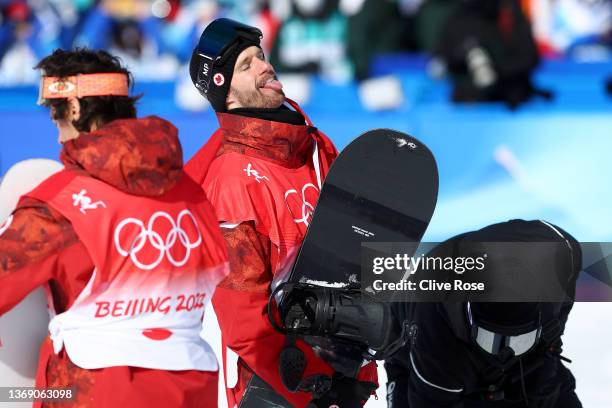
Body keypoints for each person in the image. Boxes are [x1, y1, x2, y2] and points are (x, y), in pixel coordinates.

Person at [0, 48, 229, 407]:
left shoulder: (60, 203)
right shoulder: (192, 193)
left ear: (74, 109)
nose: (59, 137)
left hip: (92, 390)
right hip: (193, 388)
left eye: (56, 119)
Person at [186, 18, 378, 408]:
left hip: (344, 370)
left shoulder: (313, 149)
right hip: (276, 384)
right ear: (228, 96)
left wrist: (361, 364)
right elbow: (243, 318)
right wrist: (311, 376)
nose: (264, 66)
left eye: (261, 56)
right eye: (246, 65)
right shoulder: (231, 180)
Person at [385, 219, 582, 408]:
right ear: (472, 320)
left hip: (520, 357)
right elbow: (430, 401)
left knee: (548, 388)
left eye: (520, 341)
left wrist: (551, 341)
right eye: (491, 339)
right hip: (422, 352)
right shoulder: (435, 332)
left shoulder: (561, 263)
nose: (503, 355)